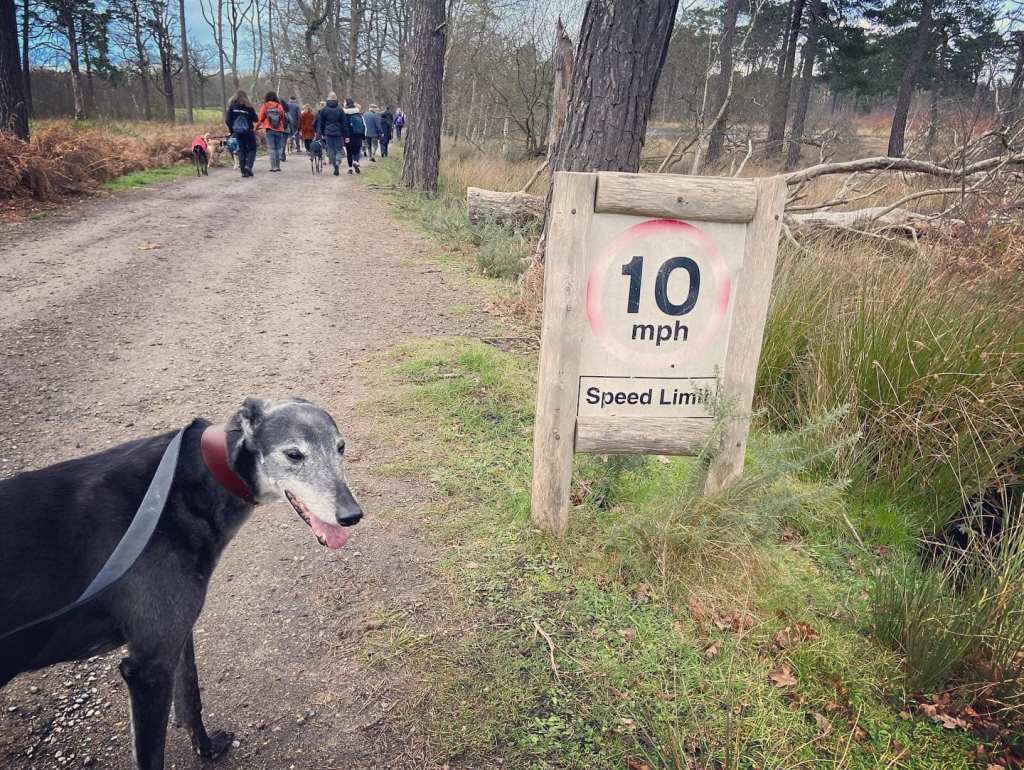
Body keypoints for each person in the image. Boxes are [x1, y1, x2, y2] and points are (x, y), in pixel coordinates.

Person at [225, 90, 258, 177]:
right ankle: (248, 166)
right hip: (248, 131)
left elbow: (227, 120)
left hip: (238, 132)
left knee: (241, 150)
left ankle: (243, 172)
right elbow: (256, 119)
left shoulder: (232, 107)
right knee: (252, 149)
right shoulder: (249, 107)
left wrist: (232, 130)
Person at [314, 92, 348, 175]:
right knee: (338, 149)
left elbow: (321, 123)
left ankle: (334, 163)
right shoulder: (340, 109)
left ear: (328, 99)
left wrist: (321, 133)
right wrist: (346, 135)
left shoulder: (324, 110)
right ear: (336, 99)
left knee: (330, 149)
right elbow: (344, 123)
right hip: (338, 133)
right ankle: (337, 161)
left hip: (328, 132)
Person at [256, 91, 289, 172]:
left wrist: (255, 127)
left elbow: (260, 118)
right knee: (278, 148)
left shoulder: (265, 106)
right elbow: (282, 117)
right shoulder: (279, 106)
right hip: (279, 130)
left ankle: (273, 167)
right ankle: (278, 166)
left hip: (269, 129)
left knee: (271, 148)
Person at [342, 99, 365, 174]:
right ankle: (355, 161)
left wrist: (344, 136)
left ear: (347, 104)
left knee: (349, 152)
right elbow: (363, 125)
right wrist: (363, 136)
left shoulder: (345, 114)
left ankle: (350, 168)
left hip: (348, 135)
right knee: (356, 150)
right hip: (357, 135)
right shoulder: (358, 113)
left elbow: (344, 126)